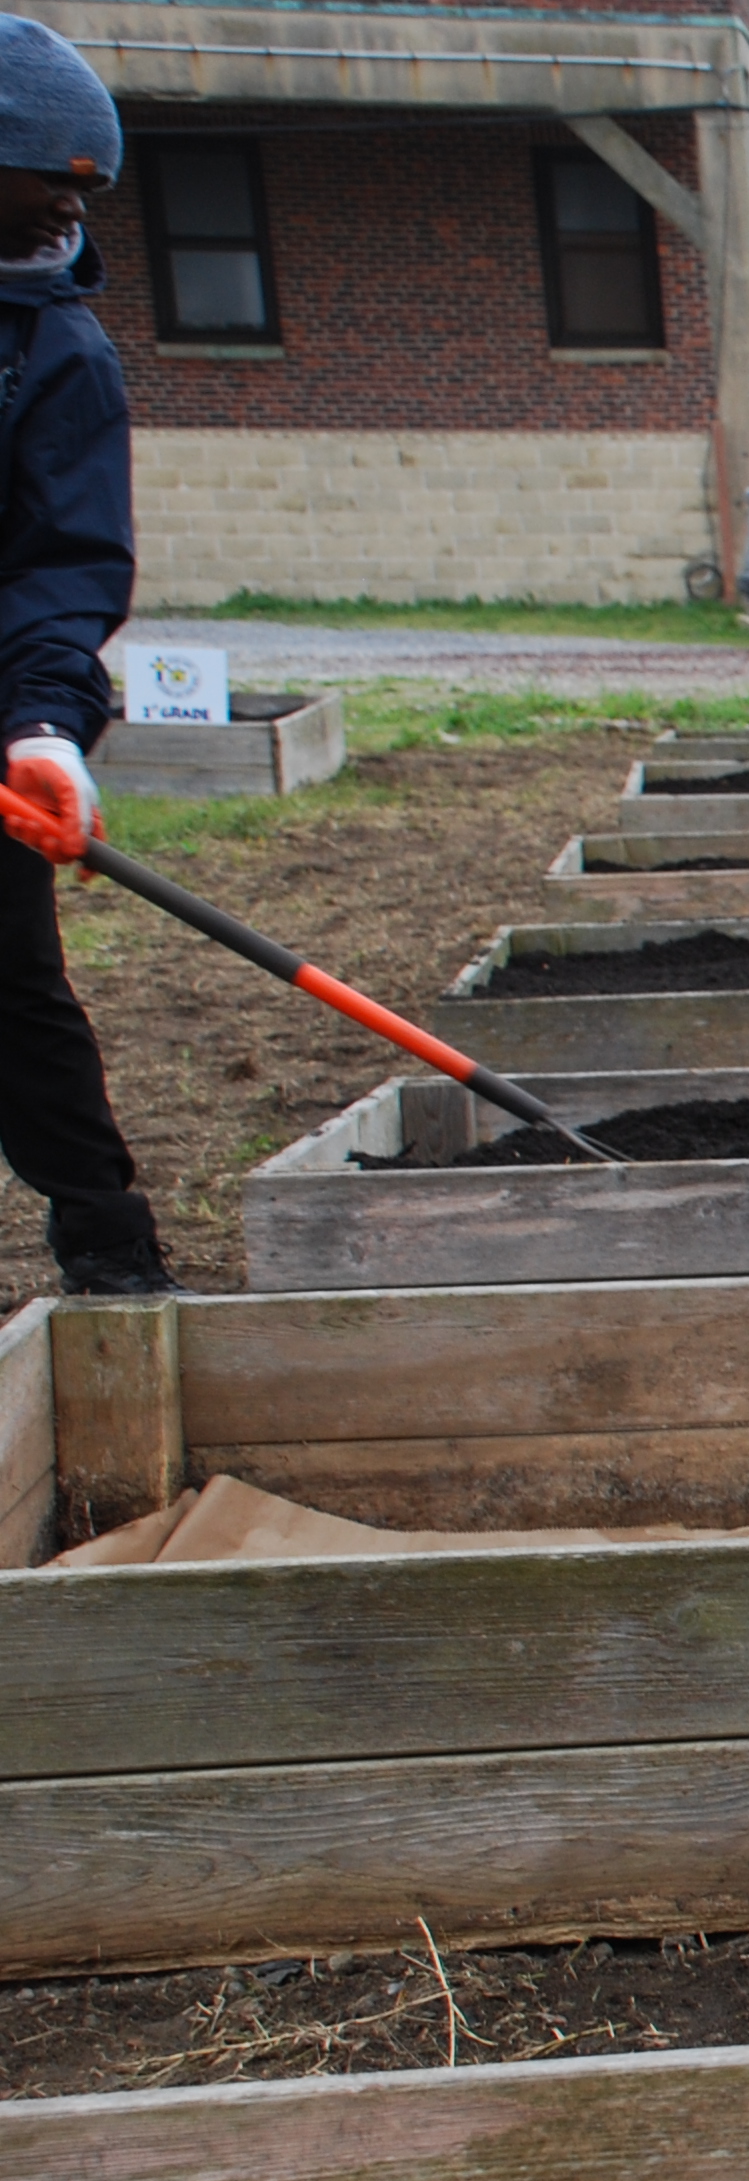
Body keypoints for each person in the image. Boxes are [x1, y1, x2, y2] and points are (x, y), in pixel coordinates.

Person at [0, 17, 162, 1295]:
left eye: (83, 191)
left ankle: (111, 1255)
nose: (70, 209)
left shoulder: (55, 348)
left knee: (14, 988)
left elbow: (62, 563)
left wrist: (42, 726)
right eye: (48, 183)